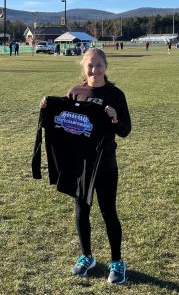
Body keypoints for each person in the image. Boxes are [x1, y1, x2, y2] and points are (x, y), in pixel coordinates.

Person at [39, 48, 131, 284]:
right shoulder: (75, 92)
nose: (94, 70)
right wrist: (46, 108)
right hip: (80, 165)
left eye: (98, 65)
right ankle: (86, 256)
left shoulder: (115, 95)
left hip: (106, 164)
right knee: (81, 211)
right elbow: (61, 123)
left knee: (108, 212)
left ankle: (117, 262)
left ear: (105, 66)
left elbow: (125, 131)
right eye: (90, 65)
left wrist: (114, 119)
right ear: (83, 66)